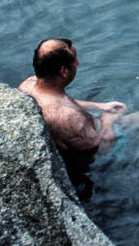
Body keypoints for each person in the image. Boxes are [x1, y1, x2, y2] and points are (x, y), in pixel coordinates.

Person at [18, 38, 127, 193]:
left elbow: (64, 102)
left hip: (80, 125)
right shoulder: (71, 120)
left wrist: (99, 106)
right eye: (75, 60)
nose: (78, 64)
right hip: (100, 143)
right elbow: (103, 145)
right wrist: (108, 120)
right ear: (64, 71)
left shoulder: (28, 84)